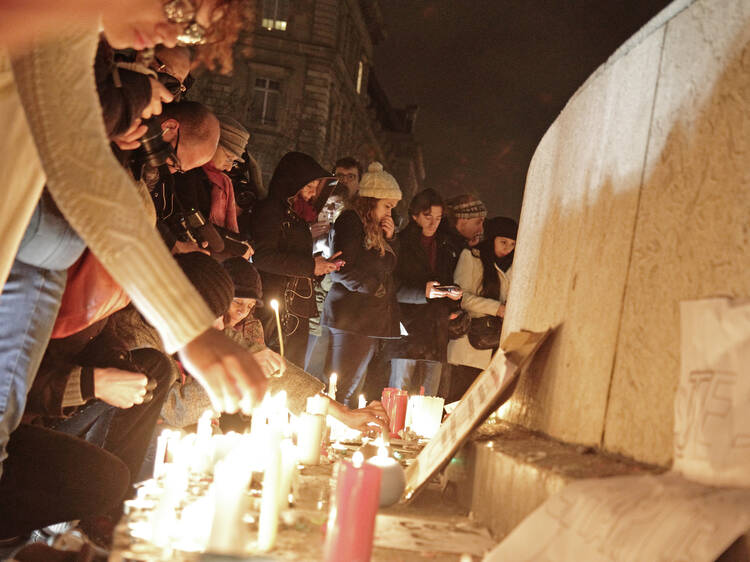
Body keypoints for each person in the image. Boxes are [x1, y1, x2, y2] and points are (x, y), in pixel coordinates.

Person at [0, 1, 266, 492]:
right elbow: (88, 179)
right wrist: (191, 331)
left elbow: (94, 184)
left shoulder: (77, 37)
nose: (172, 35)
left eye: (190, 29)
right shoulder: (57, 25)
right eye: (177, 8)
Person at [321, 162, 403, 406]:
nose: (389, 213)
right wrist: (373, 288)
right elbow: (342, 268)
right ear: (371, 200)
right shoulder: (351, 221)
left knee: (350, 386)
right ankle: (326, 435)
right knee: (340, 387)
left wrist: (391, 240)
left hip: (364, 320)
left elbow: (387, 267)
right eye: (386, 206)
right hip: (352, 317)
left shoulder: (374, 229)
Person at [251, 152, 341, 367]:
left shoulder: (299, 217)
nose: (312, 194)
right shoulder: (272, 210)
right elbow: (262, 257)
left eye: (316, 188)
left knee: (292, 373)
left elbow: (293, 257)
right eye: (309, 186)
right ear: (293, 182)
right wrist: (311, 266)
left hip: (296, 310)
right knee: (274, 370)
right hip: (275, 310)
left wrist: (319, 266)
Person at [390, 189, 463, 396]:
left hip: (436, 327)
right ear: (415, 215)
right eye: (428, 216)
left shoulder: (446, 246)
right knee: (399, 390)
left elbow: (449, 278)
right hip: (408, 326)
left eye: (438, 218)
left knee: (429, 395)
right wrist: (423, 293)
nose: (433, 223)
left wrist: (453, 299)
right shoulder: (401, 243)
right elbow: (391, 288)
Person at [447, 217, 518, 402]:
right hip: (470, 343)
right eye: (503, 242)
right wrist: (497, 308)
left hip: (495, 344)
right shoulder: (471, 257)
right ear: (492, 238)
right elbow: (460, 296)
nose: (507, 249)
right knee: (458, 399)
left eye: (512, 244)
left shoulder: (514, 266)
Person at [442, 194, 488, 265]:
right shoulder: (442, 244)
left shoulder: (462, 243)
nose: (481, 230)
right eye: (478, 222)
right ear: (462, 220)